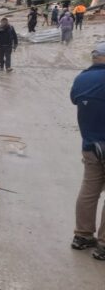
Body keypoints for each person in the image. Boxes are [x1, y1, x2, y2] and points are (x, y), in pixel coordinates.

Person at [69, 42, 105, 261]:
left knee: (89, 191)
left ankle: (82, 235)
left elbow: (74, 99)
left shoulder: (81, 79)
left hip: (91, 147)